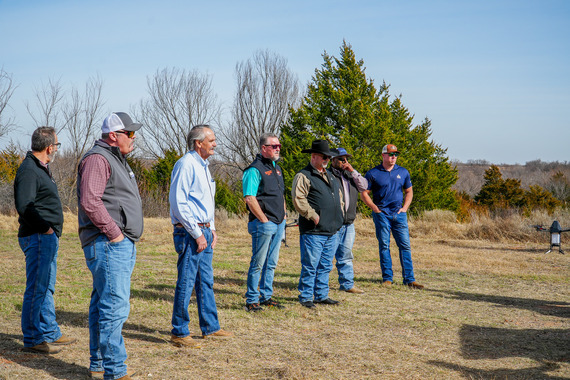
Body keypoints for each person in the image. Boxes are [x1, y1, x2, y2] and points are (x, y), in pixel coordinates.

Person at [77, 112, 144, 380]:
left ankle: (99, 365)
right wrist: (115, 234)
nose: (134, 137)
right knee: (114, 307)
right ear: (113, 136)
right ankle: (115, 372)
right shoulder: (98, 159)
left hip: (115, 244)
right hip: (108, 244)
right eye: (129, 133)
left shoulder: (116, 159)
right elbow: (90, 201)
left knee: (104, 304)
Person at [14, 127, 76, 355]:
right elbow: (25, 206)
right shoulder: (29, 170)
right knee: (37, 289)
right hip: (38, 237)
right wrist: (46, 229)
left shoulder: (40, 167)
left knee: (46, 287)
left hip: (46, 237)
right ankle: (32, 337)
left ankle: (50, 332)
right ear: (49, 147)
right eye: (57, 146)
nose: (56, 150)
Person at [169, 125, 233, 348]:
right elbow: (179, 203)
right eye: (212, 140)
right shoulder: (186, 164)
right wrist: (197, 233)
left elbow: (205, 202)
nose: (215, 143)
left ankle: (210, 327)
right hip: (190, 232)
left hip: (203, 230)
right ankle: (179, 331)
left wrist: (211, 228)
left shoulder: (203, 166)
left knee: (205, 280)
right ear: (198, 143)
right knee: (186, 281)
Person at [361, 144, 424, 289]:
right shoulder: (373, 173)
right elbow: (364, 193)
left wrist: (405, 208)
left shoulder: (403, 172)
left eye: (395, 155)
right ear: (383, 155)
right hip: (382, 215)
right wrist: (375, 208)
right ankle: (387, 278)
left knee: (405, 246)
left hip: (399, 215)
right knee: (384, 246)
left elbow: (409, 191)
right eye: (390, 154)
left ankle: (409, 280)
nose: (393, 157)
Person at [292, 140, 344, 308]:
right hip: (313, 231)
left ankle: (321, 295)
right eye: (324, 157)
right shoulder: (304, 175)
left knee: (326, 265)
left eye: (328, 157)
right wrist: (313, 216)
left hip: (332, 230)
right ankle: (306, 296)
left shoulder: (330, 175)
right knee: (310, 265)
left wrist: (340, 214)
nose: (327, 160)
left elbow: (339, 197)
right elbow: (298, 199)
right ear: (314, 156)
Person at [242, 133, 287, 312]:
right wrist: (263, 219)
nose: (277, 149)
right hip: (264, 224)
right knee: (258, 263)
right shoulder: (254, 170)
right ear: (263, 148)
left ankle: (266, 296)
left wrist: (283, 215)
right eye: (274, 146)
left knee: (272, 262)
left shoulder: (277, 168)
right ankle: (252, 300)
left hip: (278, 222)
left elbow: (280, 194)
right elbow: (250, 198)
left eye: (279, 146)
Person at [330, 147, 368, 294]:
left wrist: (352, 171)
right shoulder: (328, 174)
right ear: (333, 159)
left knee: (346, 255)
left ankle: (347, 284)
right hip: (333, 222)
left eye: (346, 159)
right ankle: (320, 286)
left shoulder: (351, 175)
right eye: (341, 159)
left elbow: (364, 186)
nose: (344, 161)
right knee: (327, 256)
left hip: (349, 223)